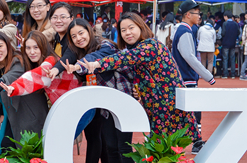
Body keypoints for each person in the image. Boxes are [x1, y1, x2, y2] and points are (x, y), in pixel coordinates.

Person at [78, 12, 200, 141]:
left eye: (131, 28)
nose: (127, 33)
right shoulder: (137, 49)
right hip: (157, 107)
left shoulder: (150, 45)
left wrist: (97, 64)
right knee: (162, 151)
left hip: (168, 108)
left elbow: (124, 58)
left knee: (169, 151)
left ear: (141, 27)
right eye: (123, 30)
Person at [61, 19, 137, 163]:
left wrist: (78, 66)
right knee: (110, 146)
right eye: (74, 36)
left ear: (89, 31)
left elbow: (95, 58)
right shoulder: (81, 52)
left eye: (81, 33)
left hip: (122, 101)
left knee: (123, 146)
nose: (78, 38)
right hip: (105, 107)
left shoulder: (106, 45)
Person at [0, 31, 49, 148]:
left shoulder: (18, 60)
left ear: (8, 46)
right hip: (12, 116)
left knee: (12, 148)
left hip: (29, 116)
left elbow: (10, 76)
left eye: (0, 46)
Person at [172, 0, 216, 153]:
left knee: (188, 112)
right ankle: (196, 142)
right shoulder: (185, 31)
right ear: (188, 14)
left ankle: (192, 141)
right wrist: (208, 76)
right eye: (197, 13)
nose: (200, 16)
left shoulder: (184, 30)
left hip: (184, 77)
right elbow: (189, 56)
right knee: (192, 111)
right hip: (186, 78)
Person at [221, 10, 240, 79]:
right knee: (232, 58)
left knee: (225, 59)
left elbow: (223, 33)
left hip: (225, 43)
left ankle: (225, 74)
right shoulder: (235, 24)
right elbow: (238, 32)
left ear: (226, 16)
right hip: (233, 43)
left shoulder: (225, 24)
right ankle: (232, 74)